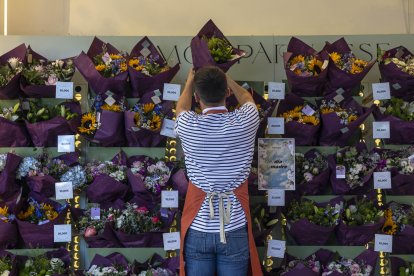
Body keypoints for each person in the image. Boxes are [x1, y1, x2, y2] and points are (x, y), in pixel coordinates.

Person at [175, 66, 262, 276]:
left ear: (197, 97)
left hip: (198, 226)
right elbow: (247, 98)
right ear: (227, 93)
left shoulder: (189, 125)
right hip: (235, 224)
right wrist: (226, 78)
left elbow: (181, 107)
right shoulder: (246, 121)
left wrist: (189, 82)